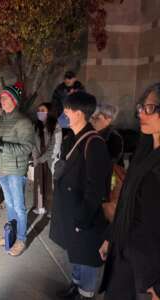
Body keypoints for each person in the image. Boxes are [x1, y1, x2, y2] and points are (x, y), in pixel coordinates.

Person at [99, 83, 160, 300]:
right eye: (141, 107)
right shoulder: (144, 148)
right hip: (125, 250)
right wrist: (110, 237)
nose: (142, 113)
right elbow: (126, 201)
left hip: (149, 269)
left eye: (150, 108)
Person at [50, 91, 112, 300]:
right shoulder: (73, 138)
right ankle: (75, 286)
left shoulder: (94, 143)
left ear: (79, 114)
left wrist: (82, 218)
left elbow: (96, 189)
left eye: (67, 110)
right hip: (72, 211)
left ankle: (85, 293)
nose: (64, 113)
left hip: (85, 217)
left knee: (86, 257)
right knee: (76, 254)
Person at [0, 83, 35, 256]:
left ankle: (21, 239)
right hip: (2, 168)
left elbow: (27, 147)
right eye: (0, 97)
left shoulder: (23, 121)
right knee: (9, 204)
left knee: (19, 206)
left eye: (5, 97)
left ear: (13, 100)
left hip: (16, 170)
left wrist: (4, 146)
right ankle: (11, 235)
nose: (1, 100)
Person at [32, 102, 62, 215]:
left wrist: (41, 159)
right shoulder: (36, 125)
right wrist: (35, 156)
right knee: (39, 182)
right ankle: (40, 206)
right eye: (39, 110)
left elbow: (55, 146)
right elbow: (33, 143)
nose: (40, 112)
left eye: (43, 110)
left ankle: (50, 208)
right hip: (38, 158)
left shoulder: (56, 126)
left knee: (49, 184)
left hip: (50, 160)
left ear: (49, 112)